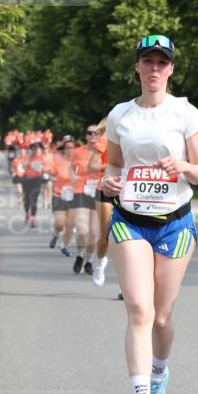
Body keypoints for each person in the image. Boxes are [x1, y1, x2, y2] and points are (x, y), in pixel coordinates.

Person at [101, 34, 198, 394]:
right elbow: (112, 163)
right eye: (147, 61)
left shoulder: (185, 113)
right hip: (129, 220)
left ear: (171, 70)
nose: (154, 69)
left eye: (162, 63)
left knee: (162, 315)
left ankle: (160, 369)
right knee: (140, 309)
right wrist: (109, 183)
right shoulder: (120, 115)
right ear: (137, 67)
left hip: (175, 224)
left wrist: (181, 164)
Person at [70, 126, 102, 275]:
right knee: (82, 230)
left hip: (98, 192)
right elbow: (71, 168)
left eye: (96, 133)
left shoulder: (104, 151)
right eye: (89, 133)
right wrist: (73, 176)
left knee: (94, 233)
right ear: (86, 136)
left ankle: (89, 260)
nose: (93, 135)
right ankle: (80, 255)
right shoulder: (78, 152)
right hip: (81, 191)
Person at [86, 118, 111, 286]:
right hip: (106, 189)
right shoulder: (104, 140)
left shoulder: (137, 139)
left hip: (131, 191)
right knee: (105, 238)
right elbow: (91, 167)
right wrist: (113, 166)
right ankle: (100, 263)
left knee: (129, 241)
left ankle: (126, 287)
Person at [49, 137, 76, 256]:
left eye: (72, 148)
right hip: (59, 194)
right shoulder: (57, 161)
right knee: (60, 223)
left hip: (74, 196)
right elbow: (51, 175)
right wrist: (54, 179)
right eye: (67, 148)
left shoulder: (79, 163)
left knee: (70, 224)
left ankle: (64, 246)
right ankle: (56, 234)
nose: (70, 150)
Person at [18, 141, 45, 227]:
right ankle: (27, 214)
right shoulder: (26, 157)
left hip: (37, 180)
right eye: (33, 149)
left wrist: (42, 169)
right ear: (30, 149)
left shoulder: (41, 157)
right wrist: (29, 157)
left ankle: (33, 219)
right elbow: (23, 167)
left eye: (36, 149)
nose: (35, 150)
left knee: (34, 199)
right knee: (27, 200)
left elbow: (44, 168)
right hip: (27, 179)